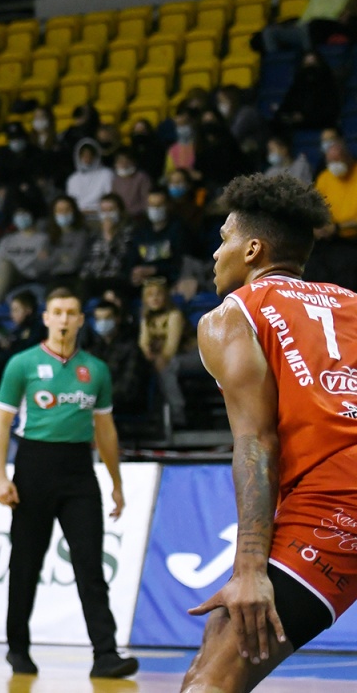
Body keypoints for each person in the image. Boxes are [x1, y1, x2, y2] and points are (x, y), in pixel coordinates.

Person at [180, 173, 356, 692]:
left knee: (212, 678)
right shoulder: (351, 302)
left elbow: (257, 442)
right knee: (218, 642)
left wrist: (250, 569)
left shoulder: (231, 316)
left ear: (252, 249)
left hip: (334, 499)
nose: (216, 253)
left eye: (224, 239)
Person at [0, 288, 139, 679]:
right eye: (57, 312)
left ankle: (105, 655)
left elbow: (105, 430)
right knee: (25, 565)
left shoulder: (96, 369)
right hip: (33, 467)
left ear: (80, 320)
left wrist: (116, 482)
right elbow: (1, 423)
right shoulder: (22, 364)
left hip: (79, 472)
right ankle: (18, 649)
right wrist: (1, 476)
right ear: (46, 318)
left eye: (71, 312)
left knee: (90, 565)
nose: (64, 319)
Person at [304, 141, 357, 291]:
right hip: (328, 240)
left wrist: (338, 228)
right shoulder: (325, 178)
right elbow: (316, 208)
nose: (335, 164)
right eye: (331, 161)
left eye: (338, 159)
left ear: (348, 157)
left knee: (344, 268)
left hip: (351, 241)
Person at [138, 277, 189, 429]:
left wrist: (161, 358)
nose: (154, 298)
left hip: (186, 354)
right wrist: (147, 354)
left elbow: (171, 348)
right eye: (150, 295)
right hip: (158, 358)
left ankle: (178, 413)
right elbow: (143, 343)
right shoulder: (146, 317)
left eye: (158, 294)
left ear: (165, 296)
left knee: (167, 367)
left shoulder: (174, 315)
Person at [0, 205, 50, 305]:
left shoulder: (44, 239)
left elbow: (41, 265)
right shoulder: (7, 240)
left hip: (27, 277)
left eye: (24, 214)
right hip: (4, 278)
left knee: (6, 265)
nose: (21, 218)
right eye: (18, 215)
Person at [272, 50, 341, 134]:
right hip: (297, 125)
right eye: (307, 64)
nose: (310, 68)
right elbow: (288, 104)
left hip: (322, 124)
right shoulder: (298, 85)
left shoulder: (328, 85)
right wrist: (284, 113)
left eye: (313, 63)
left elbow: (329, 111)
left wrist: (305, 117)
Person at [66, 139, 115, 220]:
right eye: (84, 156)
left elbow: (110, 197)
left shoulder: (107, 174)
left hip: (102, 216)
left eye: (90, 155)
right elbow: (71, 201)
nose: (87, 159)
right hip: (79, 217)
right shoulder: (73, 179)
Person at [110, 146, 151, 219]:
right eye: (120, 161)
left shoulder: (142, 177)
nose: (124, 165)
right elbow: (114, 200)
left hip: (138, 216)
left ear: (133, 162)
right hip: (120, 216)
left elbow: (146, 201)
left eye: (127, 161)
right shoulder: (115, 180)